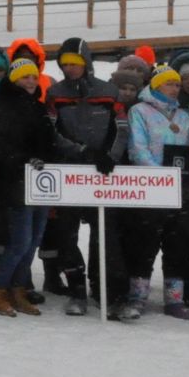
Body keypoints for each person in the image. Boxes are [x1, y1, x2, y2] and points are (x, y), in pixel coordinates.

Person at [43, 37, 121, 316]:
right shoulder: (55, 93)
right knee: (66, 234)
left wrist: (110, 154)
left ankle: (102, 289)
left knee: (104, 235)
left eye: (74, 64)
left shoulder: (109, 91)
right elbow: (52, 131)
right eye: (64, 65)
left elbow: (121, 127)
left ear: (86, 63)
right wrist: (81, 151)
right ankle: (76, 288)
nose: (70, 69)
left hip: (103, 172)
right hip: (70, 170)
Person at [124, 66, 189, 320]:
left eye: (178, 85)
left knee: (177, 245)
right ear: (157, 86)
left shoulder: (182, 117)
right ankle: (137, 297)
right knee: (144, 245)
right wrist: (161, 178)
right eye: (170, 84)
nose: (175, 88)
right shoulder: (139, 111)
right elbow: (138, 149)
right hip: (152, 190)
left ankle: (174, 299)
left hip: (179, 192)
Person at [0, 58, 56, 316]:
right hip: (14, 183)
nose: (30, 81)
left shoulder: (38, 107)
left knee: (34, 240)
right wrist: (24, 160)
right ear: (14, 79)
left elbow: (50, 140)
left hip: (42, 182)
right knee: (21, 241)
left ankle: (18, 287)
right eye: (25, 76)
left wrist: (47, 157)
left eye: (34, 77)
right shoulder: (3, 106)